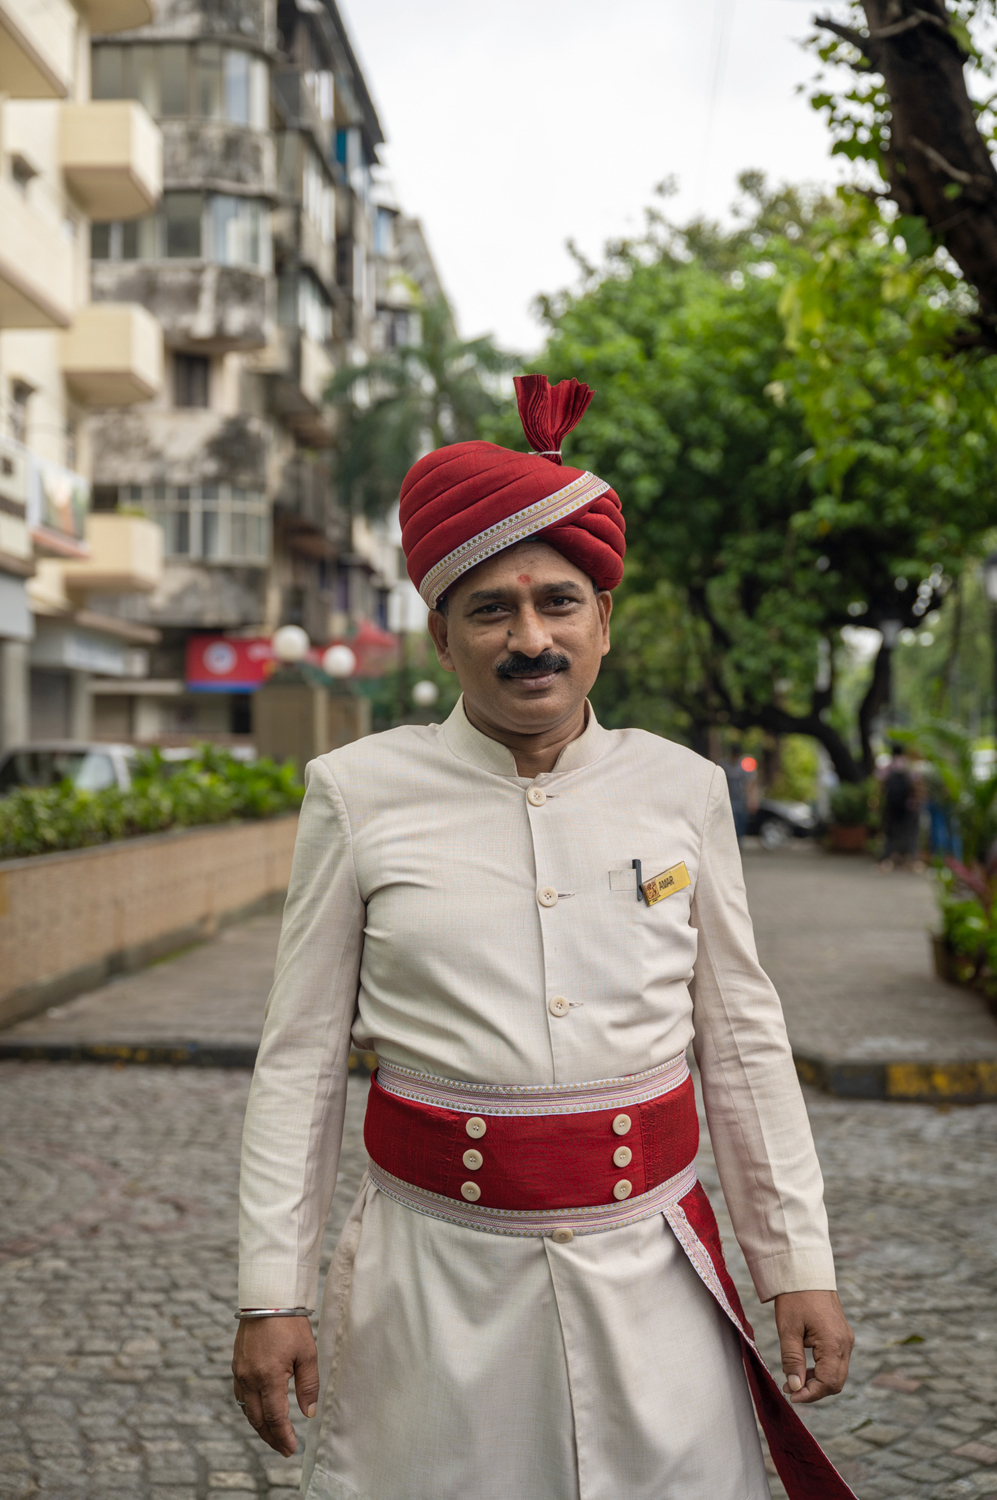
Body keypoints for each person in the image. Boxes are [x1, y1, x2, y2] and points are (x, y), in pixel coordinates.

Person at [232, 376, 855, 1500]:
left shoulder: (684, 791)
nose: (531, 638)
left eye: (559, 602)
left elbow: (745, 1045)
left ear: (603, 620)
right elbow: (301, 1061)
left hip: (653, 1276)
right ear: (442, 632)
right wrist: (270, 1293)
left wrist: (794, 1264)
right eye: (492, 609)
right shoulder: (355, 793)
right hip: (434, 1285)